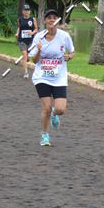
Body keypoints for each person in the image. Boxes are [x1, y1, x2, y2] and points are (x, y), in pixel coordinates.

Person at [29, 9, 75, 147]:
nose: (51, 20)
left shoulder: (64, 36)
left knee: (60, 109)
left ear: (57, 21)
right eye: (49, 18)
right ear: (45, 21)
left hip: (59, 77)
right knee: (47, 108)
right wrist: (39, 50)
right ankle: (45, 135)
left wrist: (69, 57)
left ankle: (55, 115)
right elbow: (34, 61)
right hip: (42, 77)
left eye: (54, 18)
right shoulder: (39, 37)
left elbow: (72, 52)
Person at [15, 3, 38, 78]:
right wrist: (17, 33)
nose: (26, 12)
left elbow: (36, 29)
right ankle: (26, 72)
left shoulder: (33, 19)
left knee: (28, 57)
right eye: (25, 10)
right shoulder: (20, 19)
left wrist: (32, 32)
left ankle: (27, 58)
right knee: (24, 56)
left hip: (31, 41)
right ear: (23, 11)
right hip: (22, 40)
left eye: (28, 10)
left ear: (29, 11)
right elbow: (19, 27)